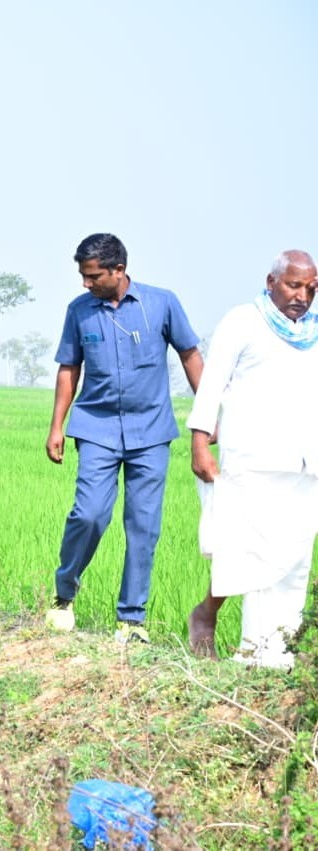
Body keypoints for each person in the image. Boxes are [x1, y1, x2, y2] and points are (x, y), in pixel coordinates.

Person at [44, 233, 203, 643]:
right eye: (83, 275)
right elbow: (69, 367)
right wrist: (56, 426)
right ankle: (64, 593)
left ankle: (131, 620)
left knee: (143, 525)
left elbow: (189, 354)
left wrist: (206, 413)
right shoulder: (79, 311)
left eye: (92, 275)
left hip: (151, 431)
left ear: (118, 269)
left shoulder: (161, 303)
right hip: (95, 427)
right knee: (91, 513)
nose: (85, 283)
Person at [186, 250, 318, 668]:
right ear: (271, 281)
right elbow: (212, 385)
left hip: (306, 461)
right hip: (253, 457)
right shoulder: (243, 321)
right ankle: (254, 651)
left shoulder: (314, 331)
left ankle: (281, 650)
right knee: (258, 556)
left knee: (296, 560)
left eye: (311, 289)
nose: (302, 296)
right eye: (293, 285)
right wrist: (200, 442)